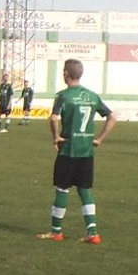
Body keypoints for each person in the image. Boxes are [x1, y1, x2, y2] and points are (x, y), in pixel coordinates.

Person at [36, 59, 117, 245]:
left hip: (69, 150)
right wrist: (99, 139)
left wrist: (55, 137)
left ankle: (56, 232)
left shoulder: (63, 96)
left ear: (65, 73)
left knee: (63, 188)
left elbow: (53, 118)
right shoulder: (92, 96)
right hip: (87, 151)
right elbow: (112, 118)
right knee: (85, 190)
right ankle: (93, 233)